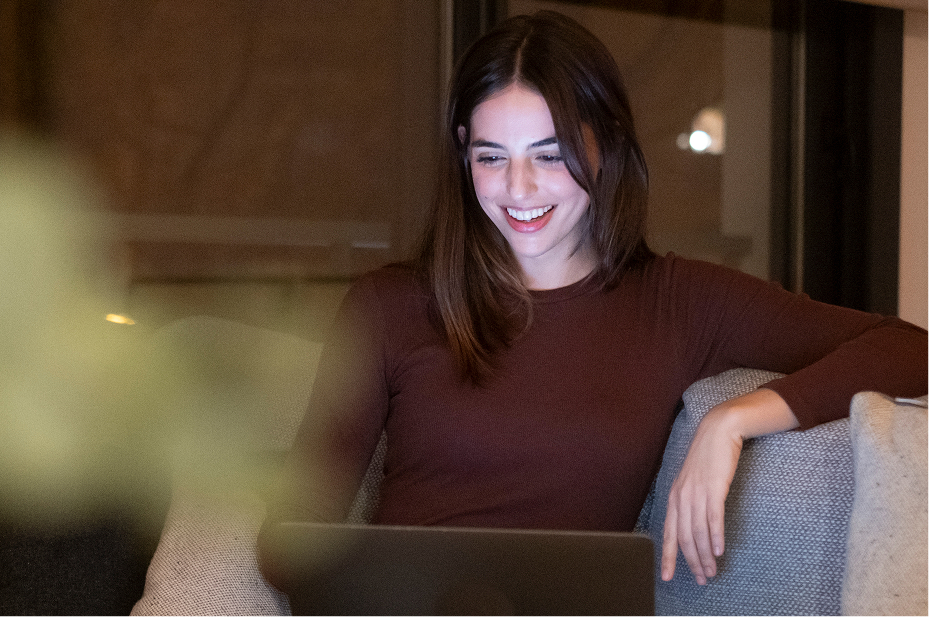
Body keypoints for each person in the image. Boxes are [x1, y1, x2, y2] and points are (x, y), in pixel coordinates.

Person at [260, 10, 927, 589]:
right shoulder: (389, 306)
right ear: (462, 154)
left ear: (602, 145)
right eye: (491, 157)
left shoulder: (679, 301)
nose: (518, 189)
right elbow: (287, 543)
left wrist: (735, 420)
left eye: (548, 156)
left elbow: (908, 347)